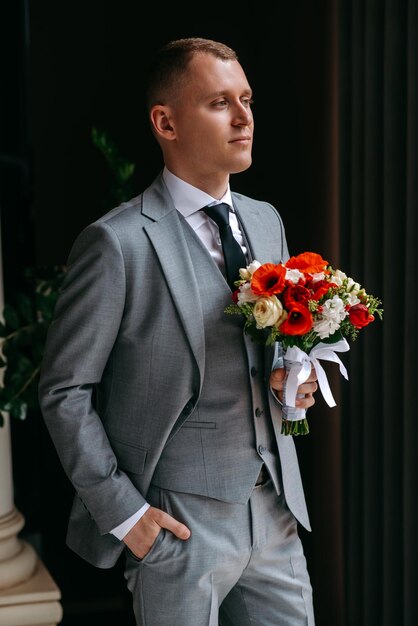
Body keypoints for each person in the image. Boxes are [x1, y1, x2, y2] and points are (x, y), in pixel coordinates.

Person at [38, 37, 318, 626]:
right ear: (165, 122)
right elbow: (65, 391)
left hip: (274, 513)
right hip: (175, 527)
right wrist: (127, 516)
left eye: (246, 99)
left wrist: (294, 379)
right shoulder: (117, 243)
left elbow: (270, 356)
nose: (244, 118)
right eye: (219, 103)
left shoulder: (266, 221)